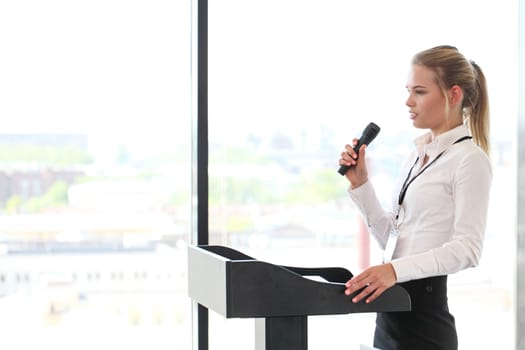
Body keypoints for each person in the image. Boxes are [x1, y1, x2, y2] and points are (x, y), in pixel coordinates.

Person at [339, 45, 492, 350]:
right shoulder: (416, 155)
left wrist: (393, 271)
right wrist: (361, 185)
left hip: (425, 324)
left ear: (454, 94)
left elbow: (468, 249)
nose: (408, 102)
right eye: (409, 91)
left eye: (419, 92)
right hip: (389, 317)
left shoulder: (469, 160)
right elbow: (395, 240)